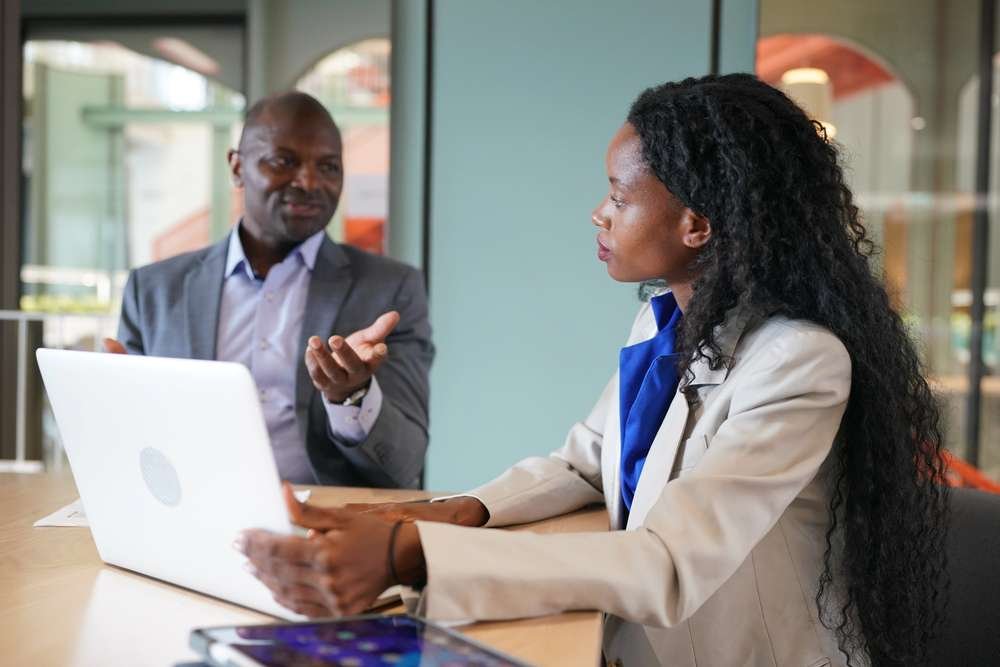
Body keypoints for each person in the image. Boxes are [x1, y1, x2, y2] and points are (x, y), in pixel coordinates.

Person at [235, 75, 948, 666]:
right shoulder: (664, 321)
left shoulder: (798, 361)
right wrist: (455, 510)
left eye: (618, 194)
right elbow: (586, 460)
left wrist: (412, 551)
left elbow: (668, 563)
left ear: (695, 225)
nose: (598, 213)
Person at [106, 92, 434, 488]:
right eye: (285, 161)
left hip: (326, 533)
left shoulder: (389, 290)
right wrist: (109, 403)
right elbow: (128, 446)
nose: (310, 182)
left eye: (328, 166)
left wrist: (353, 397)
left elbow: (404, 465)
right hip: (189, 516)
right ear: (237, 167)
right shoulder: (154, 290)